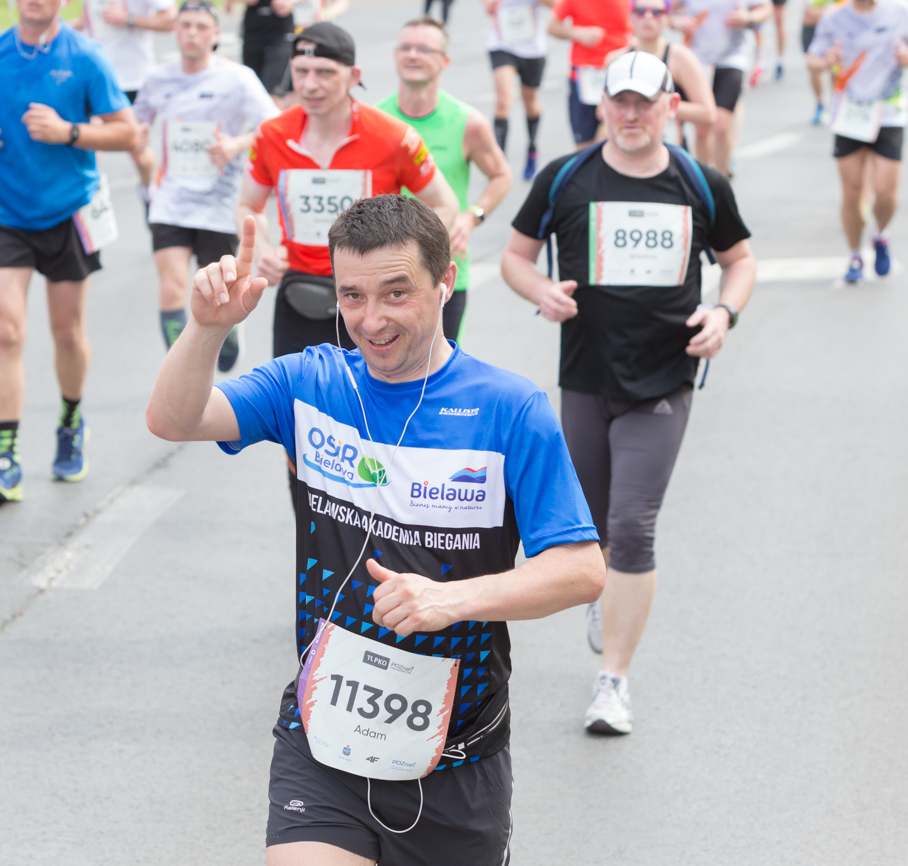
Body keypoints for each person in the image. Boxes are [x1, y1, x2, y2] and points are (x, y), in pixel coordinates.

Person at [146, 195, 603, 864]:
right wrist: (205, 329)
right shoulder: (312, 382)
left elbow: (581, 567)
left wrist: (452, 599)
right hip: (322, 738)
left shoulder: (510, 410)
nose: (371, 319)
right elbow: (175, 418)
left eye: (397, 293)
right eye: (351, 295)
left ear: (445, 283)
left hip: (454, 758)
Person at [500, 51, 755, 735]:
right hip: (585, 377)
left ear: (671, 103)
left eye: (647, 101)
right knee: (590, 526)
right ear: (603, 103)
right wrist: (542, 291)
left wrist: (723, 314)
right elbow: (515, 256)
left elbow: (739, 261)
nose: (633, 113)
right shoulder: (566, 178)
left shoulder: (699, 183)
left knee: (633, 526)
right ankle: (602, 588)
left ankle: (612, 680)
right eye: (621, 101)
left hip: (663, 380)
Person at [0, 0, 139, 504]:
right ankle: (6, 458)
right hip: (4, 210)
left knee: (66, 331)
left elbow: (128, 133)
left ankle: (70, 419)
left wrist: (70, 133)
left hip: (68, 211)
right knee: (7, 330)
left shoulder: (86, 58)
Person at [233, 21, 458, 361]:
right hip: (300, 294)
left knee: (378, 408)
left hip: (375, 301)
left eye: (325, 72)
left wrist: (404, 267)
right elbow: (247, 205)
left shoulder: (393, 136)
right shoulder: (271, 135)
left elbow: (444, 204)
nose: (310, 85)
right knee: (297, 408)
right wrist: (264, 249)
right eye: (301, 71)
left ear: (353, 76)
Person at [131, 0, 278, 368]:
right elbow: (136, 123)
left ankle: (229, 332)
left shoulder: (237, 78)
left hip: (220, 202)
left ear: (215, 35)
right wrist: (138, 140)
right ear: (175, 30)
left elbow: (273, 127)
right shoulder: (157, 78)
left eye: (201, 26)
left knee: (219, 295)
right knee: (172, 287)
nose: (192, 33)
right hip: (171, 200)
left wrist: (235, 144)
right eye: (185, 25)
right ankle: (184, 368)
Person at [378, 17, 512, 339]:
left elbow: (501, 176)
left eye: (424, 48)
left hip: (442, 268)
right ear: (395, 56)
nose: (413, 55)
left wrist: (471, 216)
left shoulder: (467, 123)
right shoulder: (376, 120)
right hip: (382, 271)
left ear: (444, 61)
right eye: (406, 47)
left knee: (437, 373)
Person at [805, 0, 908, 283]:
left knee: (886, 192)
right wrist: (825, 60)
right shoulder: (834, 16)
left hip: (888, 109)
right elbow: (811, 59)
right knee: (852, 191)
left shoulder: (899, 9)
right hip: (850, 109)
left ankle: (881, 235)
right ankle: (854, 254)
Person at [670, 0, 771, 176]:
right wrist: (677, 20)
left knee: (722, 125)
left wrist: (748, 17)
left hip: (731, 55)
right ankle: (703, 176)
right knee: (702, 127)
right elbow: (666, 9)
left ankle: (721, 176)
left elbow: (764, 9)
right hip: (696, 57)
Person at [478, 0, 562, 181]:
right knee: (503, 99)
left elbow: (555, 1)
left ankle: (532, 148)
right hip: (501, 41)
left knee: (530, 102)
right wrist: (488, 1)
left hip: (532, 45)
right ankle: (499, 162)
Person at [549, 0, 640, 147]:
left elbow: (645, 36)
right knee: (584, 148)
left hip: (619, 77)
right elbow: (552, 26)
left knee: (611, 140)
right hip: (583, 77)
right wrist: (577, 33)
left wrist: (629, 47)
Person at [624, 0, 717, 150]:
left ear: (668, 18)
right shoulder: (618, 59)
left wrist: (659, 103)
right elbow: (603, 110)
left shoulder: (681, 58)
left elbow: (708, 113)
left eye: (656, 12)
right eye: (640, 11)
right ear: (631, 16)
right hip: (627, 147)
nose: (648, 17)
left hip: (669, 148)